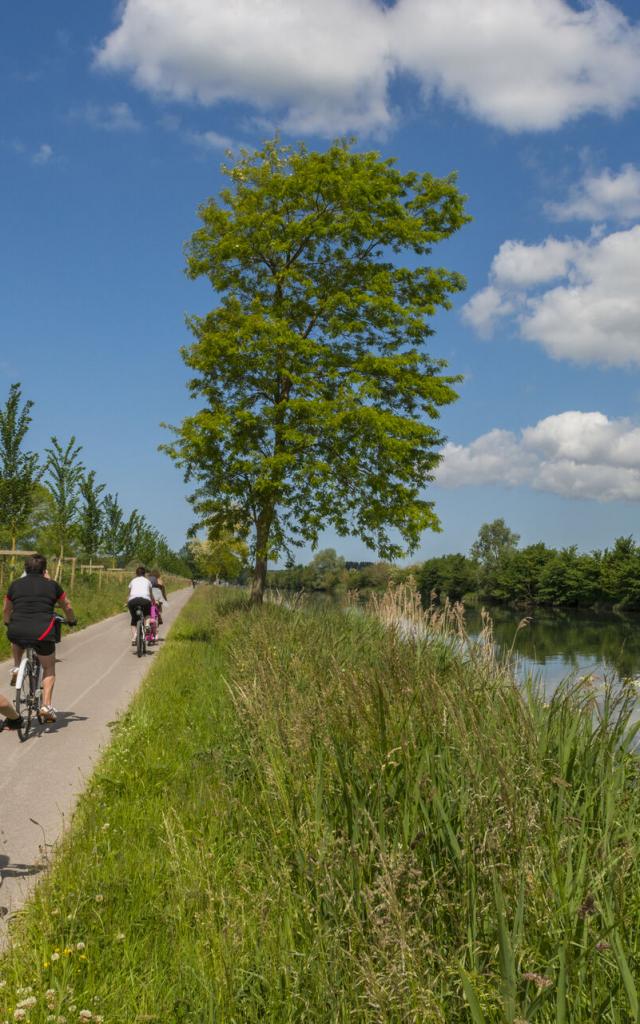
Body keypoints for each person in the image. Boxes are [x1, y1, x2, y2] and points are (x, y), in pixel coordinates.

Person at [3, 553, 76, 725]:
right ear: (44, 570)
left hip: (18, 630)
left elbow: (6, 609)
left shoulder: (15, 585)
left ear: (25, 569)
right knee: (49, 667)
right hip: (42, 632)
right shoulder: (52, 586)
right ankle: (46, 706)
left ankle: (16, 667)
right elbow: (67, 605)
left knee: (17, 635)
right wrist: (72, 620)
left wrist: (7, 623)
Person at [127, 565, 154, 644]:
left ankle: (135, 636)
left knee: (134, 619)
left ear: (136, 574)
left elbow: (129, 594)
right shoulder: (148, 581)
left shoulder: (133, 581)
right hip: (145, 601)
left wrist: (126, 602)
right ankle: (147, 625)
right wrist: (153, 601)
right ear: (144, 574)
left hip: (133, 601)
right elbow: (151, 594)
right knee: (147, 614)